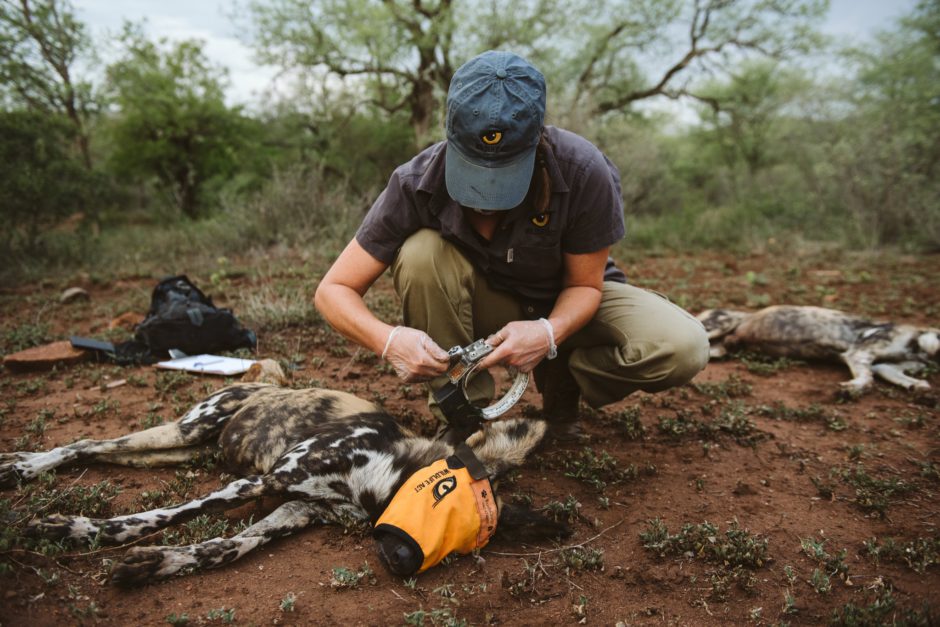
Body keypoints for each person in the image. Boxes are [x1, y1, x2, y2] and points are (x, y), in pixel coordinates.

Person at [314, 50, 709, 440]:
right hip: (485, 305)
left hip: (568, 302)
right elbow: (333, 290)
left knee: (683, 347)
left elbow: (585, 285)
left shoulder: (584, 170)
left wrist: (549, 334)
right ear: (449, 132)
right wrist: (389, 341)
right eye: (472, 167)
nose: (485, 196)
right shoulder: (415, 180)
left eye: (506, 172)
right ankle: (462, 417)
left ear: (538, 140)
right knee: (420, 253)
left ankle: (566, 376)